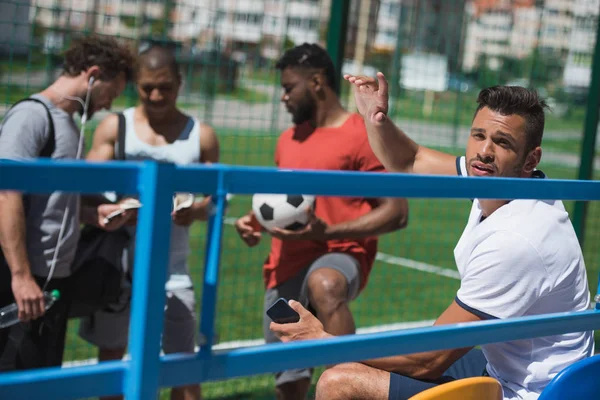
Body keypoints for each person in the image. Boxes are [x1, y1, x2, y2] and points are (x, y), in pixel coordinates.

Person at [270, 73, 594, 400]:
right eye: (478, 135)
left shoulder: (518, 238)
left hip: (529, 393)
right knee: (369, 361)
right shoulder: (499, 180)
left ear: (531, 160)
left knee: (338, 382)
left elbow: (427, 360)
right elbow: (409, 159)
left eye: (503, 142)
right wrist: (375, 119)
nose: (484, 151)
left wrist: (322, 341)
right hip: (502, 371)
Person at [234, 43, 409, 400]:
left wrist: (328, 231)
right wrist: (255, 222)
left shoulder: (363, 134)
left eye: (288, 88)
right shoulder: (287, 140)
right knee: (288, 382)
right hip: (285, 262)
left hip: (341, 253)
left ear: (316, 82)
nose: (282, 97)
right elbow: (283, 204)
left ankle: (349, 383)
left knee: (325, 284)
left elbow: (396, 211)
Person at [79, 44, 219, 400]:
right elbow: (87, 193)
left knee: (183, 366)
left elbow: (215, 202)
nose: (156, 95)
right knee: (113, 363)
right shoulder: (116, 126)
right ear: (135, 84)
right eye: (147, 87)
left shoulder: (201, 135)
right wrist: (119, 206)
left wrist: (195, 211)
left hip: (174, 269)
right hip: (119, 266)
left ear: (180, 82)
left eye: (165, 86)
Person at [0, 35, 135, 371]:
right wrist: (20, 276)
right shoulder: (32, 117)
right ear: (92, 75)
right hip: (20, 281)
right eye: (110, 94)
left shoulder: (71, 127)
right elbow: (7, 194)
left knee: (42, 379)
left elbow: (53, 204)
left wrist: (93, 213)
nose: (107, 105)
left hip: (52, 280)